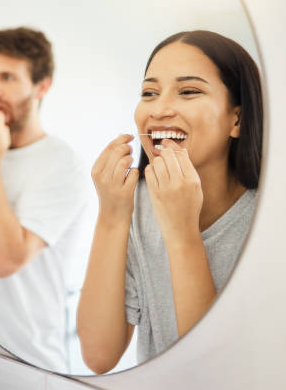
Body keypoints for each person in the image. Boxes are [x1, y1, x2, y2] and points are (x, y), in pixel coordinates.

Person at [77, 30, 263, 374]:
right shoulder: (138, 204)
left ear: (236, 119)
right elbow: (98, 355)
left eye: (189, 91)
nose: (160, 109)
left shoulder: (266, 222)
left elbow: (210, 374)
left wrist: (181, 232)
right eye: (149, 92)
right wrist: (112, 216)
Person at [0, 27, 90, 372]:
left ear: (42, 86)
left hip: (28, 364)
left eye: (7, 77)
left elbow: (7, 259)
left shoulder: (62, 164)